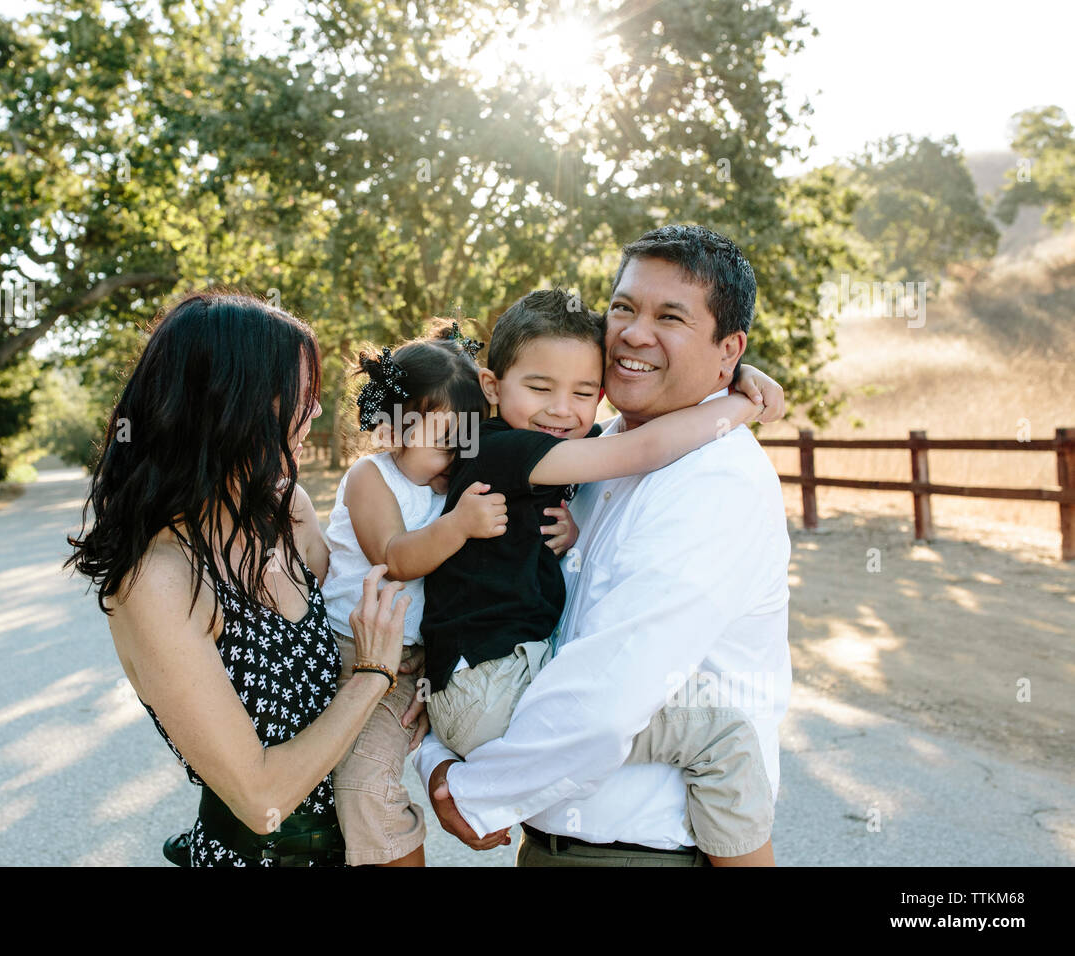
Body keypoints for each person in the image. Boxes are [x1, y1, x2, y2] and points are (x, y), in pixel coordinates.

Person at [416, 224, 794, 867]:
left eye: (669, 316)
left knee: (720, 743)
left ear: (729, 348)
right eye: (623, 308)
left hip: (641, 854)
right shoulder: (588, 449)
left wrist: (471, 789)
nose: (634, 333)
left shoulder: (714, 480)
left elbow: (607, 698)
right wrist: (437, 750)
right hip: (552, 844)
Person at [65, 290, 411, 867]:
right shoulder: (158, 579)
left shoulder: (289, 511)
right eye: (303, 395)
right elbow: (261, 797)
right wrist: (375, 677)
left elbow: (350, 634)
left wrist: (407, 694)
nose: (317, 412)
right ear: (238, 405)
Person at [319, 320, 506, 866]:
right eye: (446, 443)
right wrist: (461, 525)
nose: (457, 457)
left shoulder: (444, 485)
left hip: (409, 663)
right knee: (342, 787)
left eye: (467, 441)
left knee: (366, 784)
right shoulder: (370, 477)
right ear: (396, 429)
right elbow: (396, 558)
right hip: (350, 656)